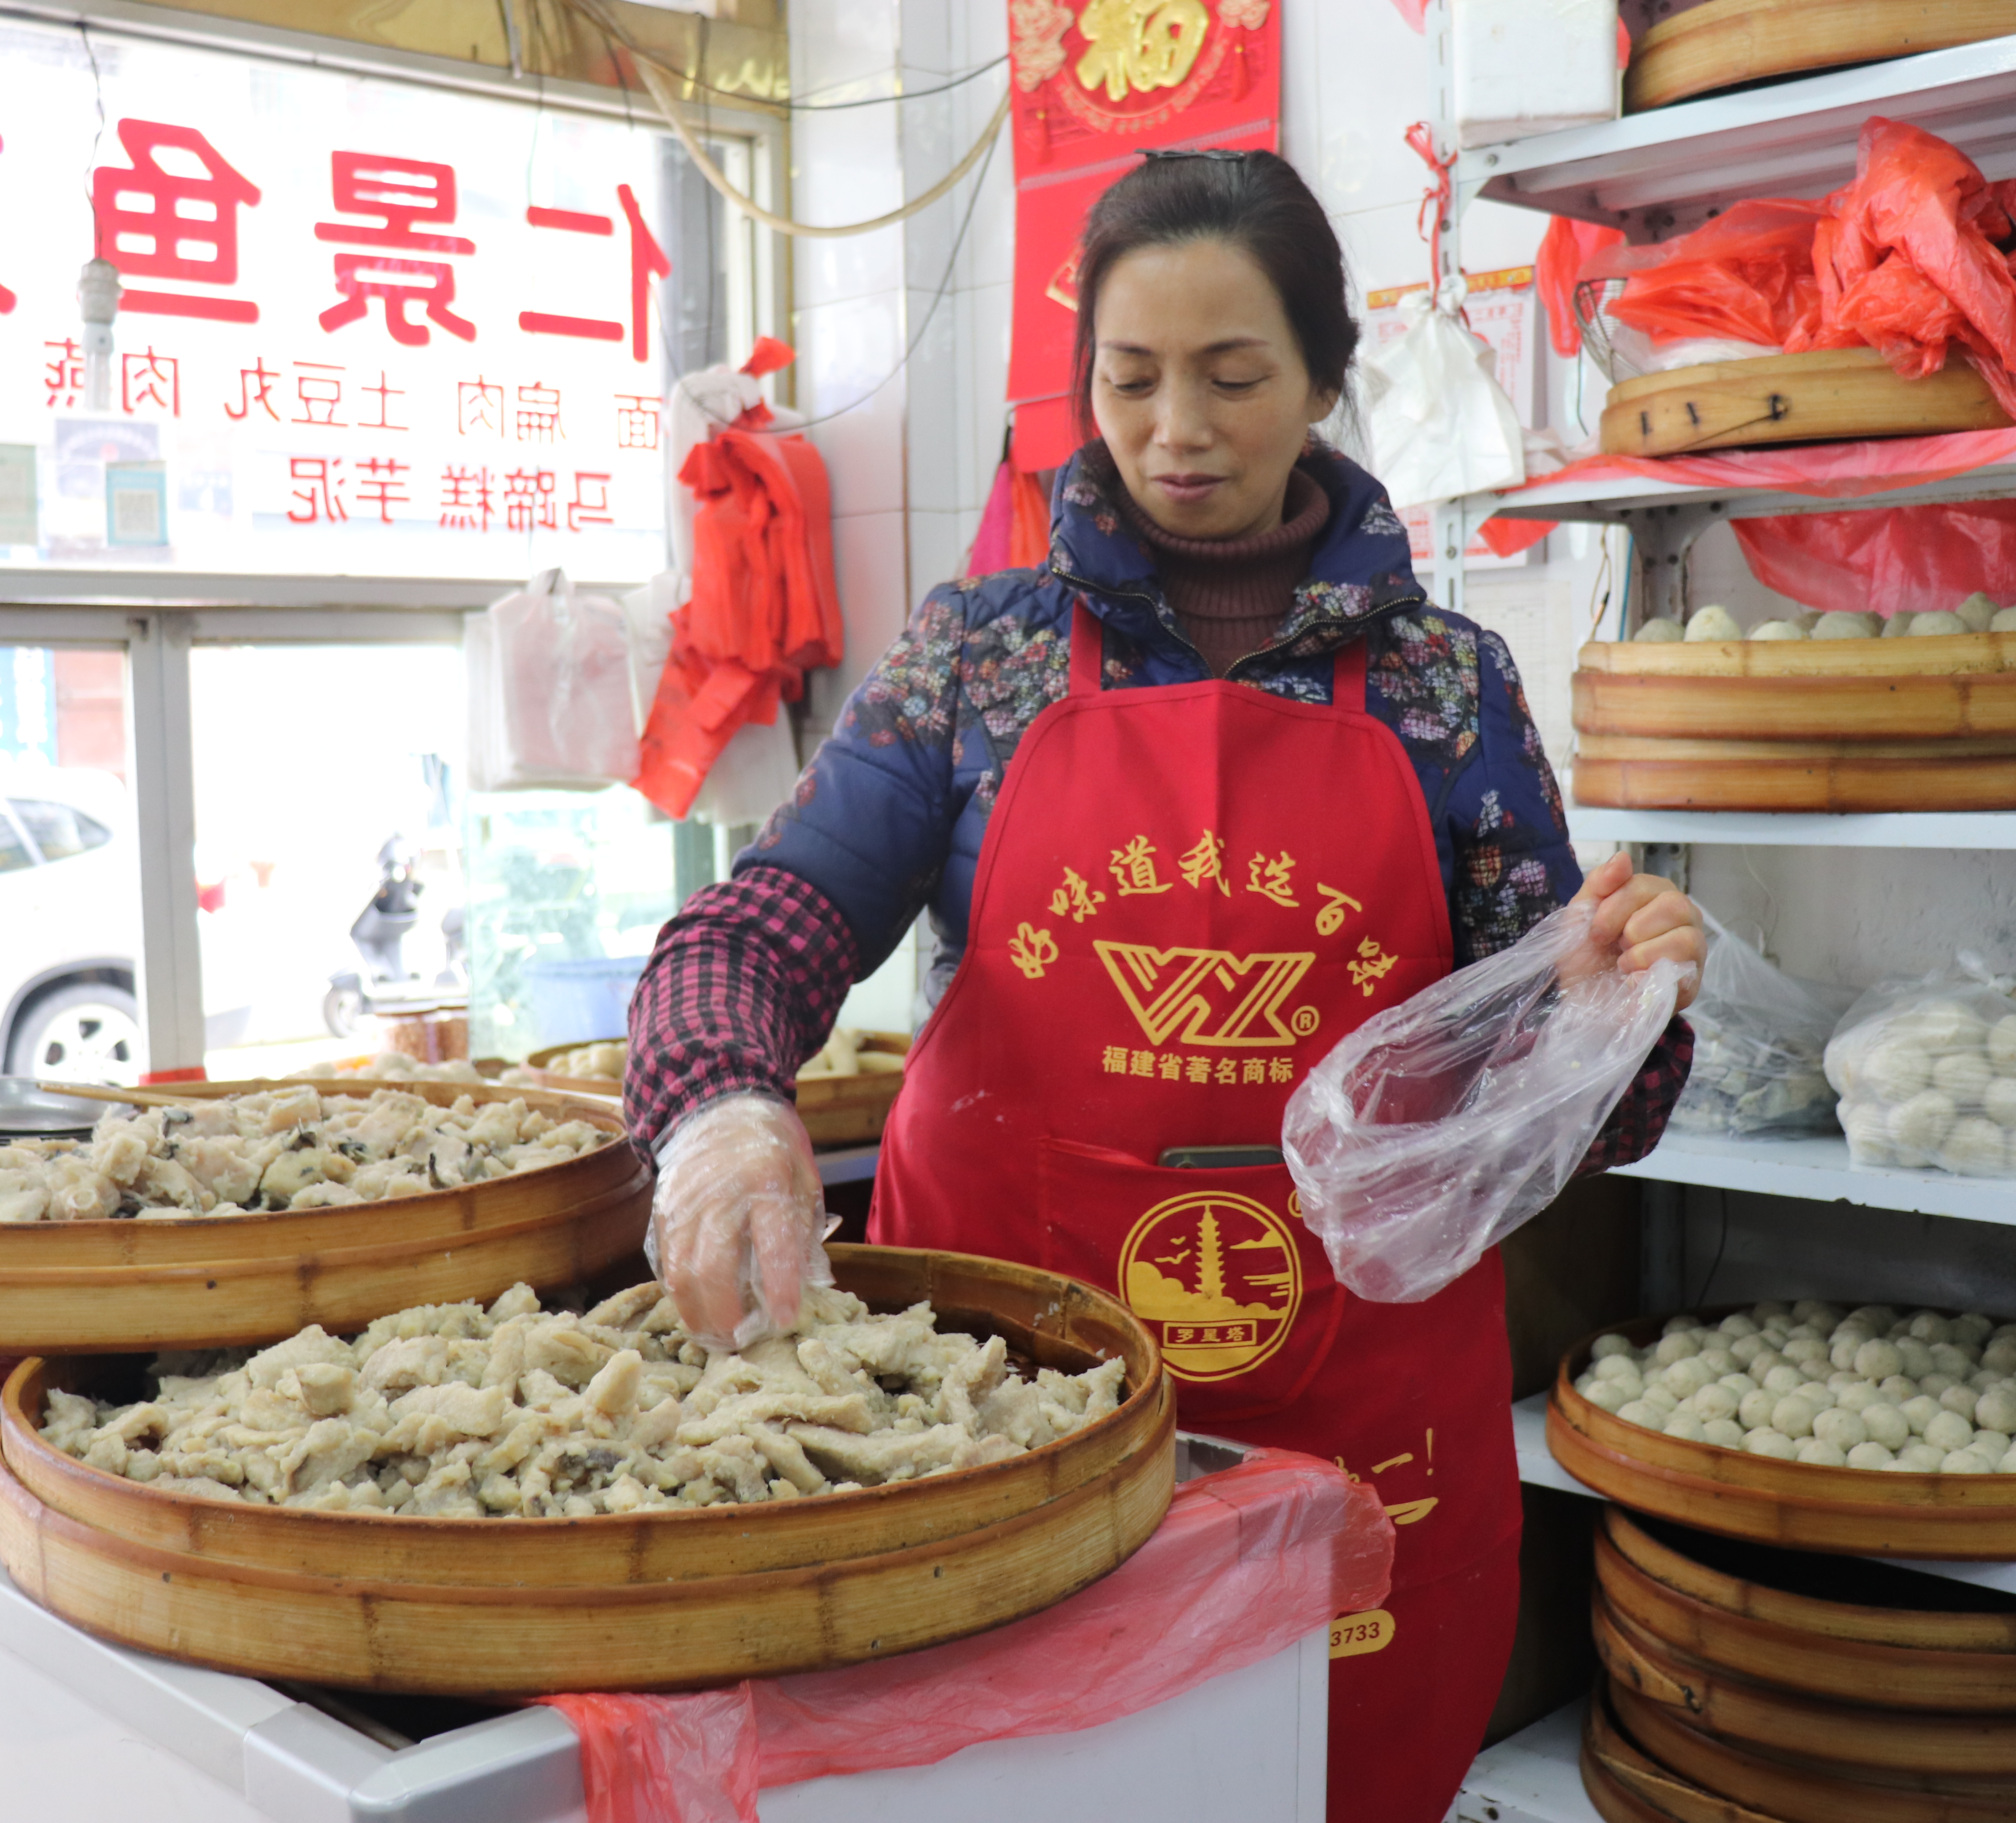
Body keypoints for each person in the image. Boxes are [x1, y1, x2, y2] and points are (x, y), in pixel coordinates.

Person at [624, 149, 1703, 1820]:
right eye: (1130, 380)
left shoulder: (1445, 687)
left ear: (1327, 383)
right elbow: (764, 922)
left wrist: (1621, 1008)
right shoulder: (975, 654)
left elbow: (1573, 1107)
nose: (1177, 431)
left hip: (1362, 1426)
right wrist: (720, 1113)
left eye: (1234, 375)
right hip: (997, 1413)